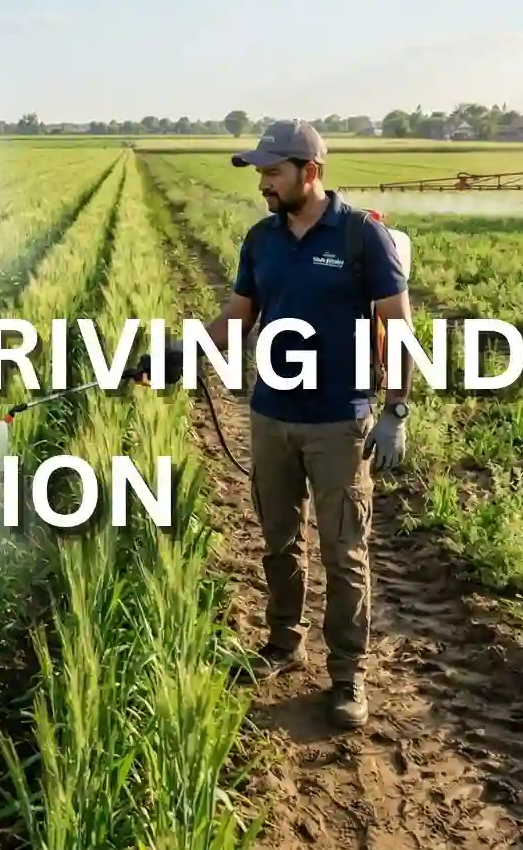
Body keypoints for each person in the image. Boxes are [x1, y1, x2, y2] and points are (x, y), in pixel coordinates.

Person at [145, 119, 412, 730]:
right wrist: (181, 353)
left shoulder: (361, 236)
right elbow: (240, 315)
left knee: (345, 550)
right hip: (271, 415)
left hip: (338, 422)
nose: (263, 183)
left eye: (272, 172)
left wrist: (395, 409)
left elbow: (396, 323)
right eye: (260, 173)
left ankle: (349, 674)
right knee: (278, 541)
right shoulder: (261, 239)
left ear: (309, 172)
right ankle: (283, 644)